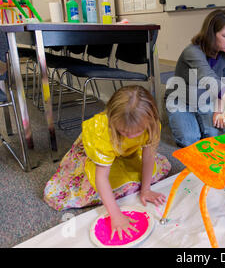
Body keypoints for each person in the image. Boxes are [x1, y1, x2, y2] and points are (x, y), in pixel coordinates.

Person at [44, 85, 171, 240]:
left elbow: (149, 157)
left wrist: (145, 189)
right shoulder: (103, 132)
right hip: (98, 153)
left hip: (126, 152)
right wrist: (116, 214)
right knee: (92, 189)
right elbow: (101, 177)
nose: (130, 136)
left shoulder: (151, 126)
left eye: (137, 132)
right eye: (124, 132)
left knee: (151, 173)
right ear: (111, 119)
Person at [165, 9, 225, 147]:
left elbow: (222, 83)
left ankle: (199, 121)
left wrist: (218, 111)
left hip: (204, 100)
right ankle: (182, 120)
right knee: (190, 140)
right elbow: (212, 82)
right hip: (181, 100)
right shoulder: (192, 52)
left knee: (216, 138)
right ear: (211, 34)